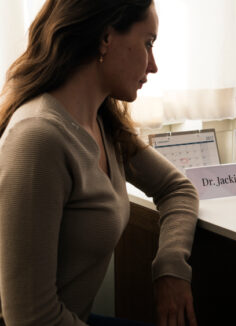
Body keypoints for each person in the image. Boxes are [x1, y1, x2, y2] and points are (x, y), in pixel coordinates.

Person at [0, 1, 199, 326]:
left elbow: (176, 188)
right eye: (148, 43)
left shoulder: (101, 122)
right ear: (106, 37)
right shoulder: (39, 138)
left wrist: (171, 266)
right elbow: (30, 319)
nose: (153, 65)